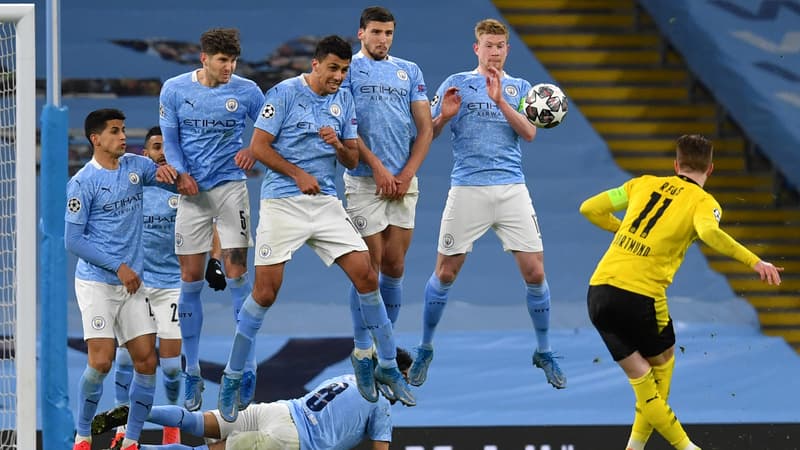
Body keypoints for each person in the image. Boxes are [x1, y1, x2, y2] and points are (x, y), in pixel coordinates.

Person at [217, 35, 416, 424]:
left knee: (367, 276)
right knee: (265, 293)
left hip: (325, 202)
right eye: (333, 69)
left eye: (344, 70)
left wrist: (339, 145)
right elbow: (258, 146)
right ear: (316, 65)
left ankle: (388, 364)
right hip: (283, 203)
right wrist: (296, 173)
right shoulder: (286, 93)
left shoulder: (344, 100)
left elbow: (353, 155)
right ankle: (233, 374)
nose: (339, 76)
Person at [579, 134, 783, 450]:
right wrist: (754, 261)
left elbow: (589, 208)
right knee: (662, 369)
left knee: (642, 383)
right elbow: (709, 233)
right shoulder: (704, 203)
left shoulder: (641, 184)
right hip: (641, 296)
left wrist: (622, 230)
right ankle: (687, 447)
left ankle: (635, 448)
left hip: (599, 293)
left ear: (676, 164)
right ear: (711, 169)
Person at [408, 18, 566, 389]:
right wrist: (444, 116)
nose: (494, 51)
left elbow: (529, 133)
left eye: (500, 46)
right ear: (476, 48)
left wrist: (499, 101)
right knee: (445, 273)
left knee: (536, 274)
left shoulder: (522, 88)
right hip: (467, 189)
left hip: (512, 189)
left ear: (507, 50)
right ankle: (425, 348)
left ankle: (544, 350)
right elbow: (426, 133)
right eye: (488, 45)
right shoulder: (456, 84)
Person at [159, 27, 265, 411]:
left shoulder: (247, 91)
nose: (229, 67)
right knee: (189, 281)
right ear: (204, 58)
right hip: (191, 194)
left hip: (230, 189)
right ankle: (191, 371)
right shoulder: (174, 90)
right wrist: (180, 172)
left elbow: (270, 128)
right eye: (222, 60)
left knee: (237, 277)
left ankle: (245, 367)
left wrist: (254, 149)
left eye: (233, 61)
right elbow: (170, 140)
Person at [65, 109, 178, 450]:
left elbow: (164, 173)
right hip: (98, 283)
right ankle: (83, 435)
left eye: (124, 129)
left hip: (131, 285)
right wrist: (118, 266)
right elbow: (73, 241)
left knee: (147, 361)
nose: (123, 136)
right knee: (101, 362)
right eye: (115, 131)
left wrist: (173, 172)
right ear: (96, 139)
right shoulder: (83, 183)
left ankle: (130, 440)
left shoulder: (134, 167)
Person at [340, 6, 433, 400]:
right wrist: (377, 168)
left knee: (395, 267)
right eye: (376, 32)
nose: (383, 39)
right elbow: (348, 127)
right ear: (361, 33)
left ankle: (384, 351)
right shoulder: (348, 71)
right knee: (369, 268)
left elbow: (425, 128)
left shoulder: (409, 70)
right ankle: (363, 353)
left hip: (403, 183)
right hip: (365, 183)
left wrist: (407, 173)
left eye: (389, 33)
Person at [92, 349, 413, 450]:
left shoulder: (346, 378)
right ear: (393, 375)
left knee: (201, 421)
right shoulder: (382, 406)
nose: (407, 386)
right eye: (406, 377)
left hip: (281, 410)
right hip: (290, 439)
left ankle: (139, 412)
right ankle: (141, 449)